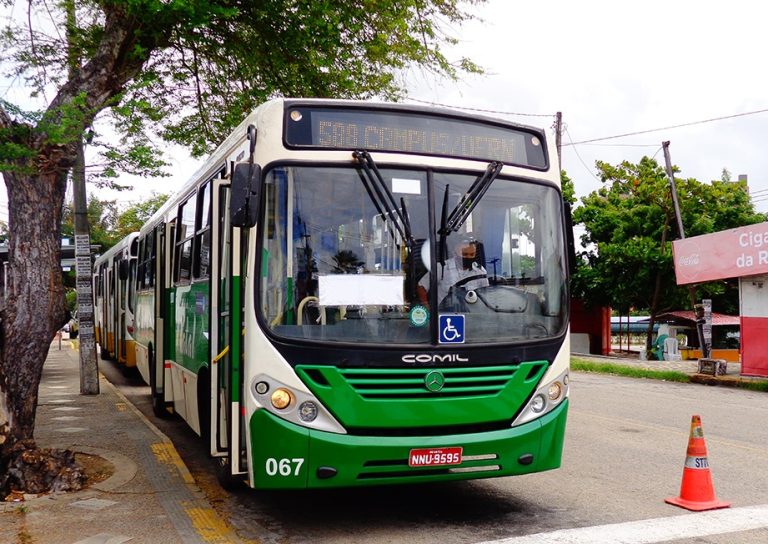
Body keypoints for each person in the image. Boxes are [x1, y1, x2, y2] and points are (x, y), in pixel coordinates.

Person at [418, 238, 489, 306]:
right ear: (455, 253)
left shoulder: (480, 271)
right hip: (444, 312)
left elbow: (486, 294)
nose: (468, 257)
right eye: (464, 254)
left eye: (471, 254)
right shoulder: (442, 268)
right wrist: (427, 307)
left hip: (472, 312)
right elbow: (421, 286)